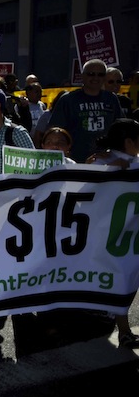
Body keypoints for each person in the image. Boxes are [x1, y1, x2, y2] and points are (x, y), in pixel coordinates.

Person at [88, 118, 139, 348]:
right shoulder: (107, 163)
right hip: (122, 237)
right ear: (129, 142)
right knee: (124, 280)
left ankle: (123, 328)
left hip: (111, 236)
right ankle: (123, 329)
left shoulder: (100, 162)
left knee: (121, 279)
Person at [48, 58, 122, 163]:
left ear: (105, 77)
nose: (95, 78)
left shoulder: (111, 99)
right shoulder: (68, 99)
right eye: (91, 74)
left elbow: (120, 129)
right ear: (82, 76)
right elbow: (54, 131)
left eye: (100, 74)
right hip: (76, 161)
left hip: (106, 160)